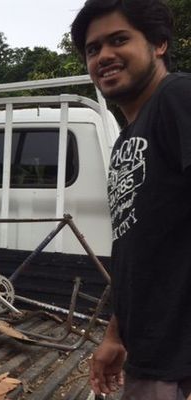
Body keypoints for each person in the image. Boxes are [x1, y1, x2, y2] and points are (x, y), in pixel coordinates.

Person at [71, 0, 191, 398]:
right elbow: (139, 249)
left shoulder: (179, 96)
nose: (103, 55)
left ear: (159, 44)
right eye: (93, 49)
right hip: (149, 351)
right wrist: (115, 334)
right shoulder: (126, 139)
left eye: (118, 40)